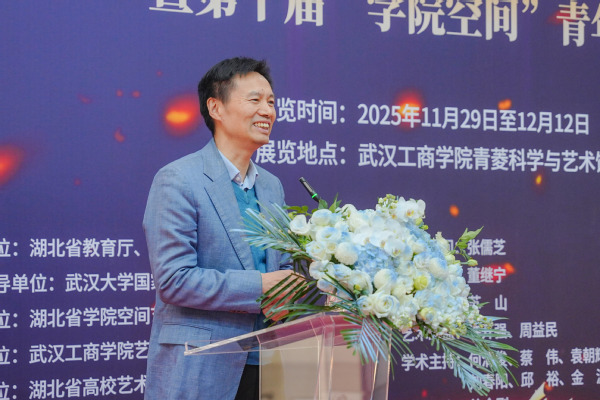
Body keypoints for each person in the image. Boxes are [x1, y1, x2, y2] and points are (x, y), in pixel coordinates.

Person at [143, 57, 293, 400]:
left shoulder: (271, 186)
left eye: (271, 102)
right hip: (203, 367)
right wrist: (261, 287)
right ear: (216, 108)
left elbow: (281, 268)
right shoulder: (178, 179)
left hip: (269, 365)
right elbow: (174, 280)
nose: (267, 111)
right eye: (255, 100)